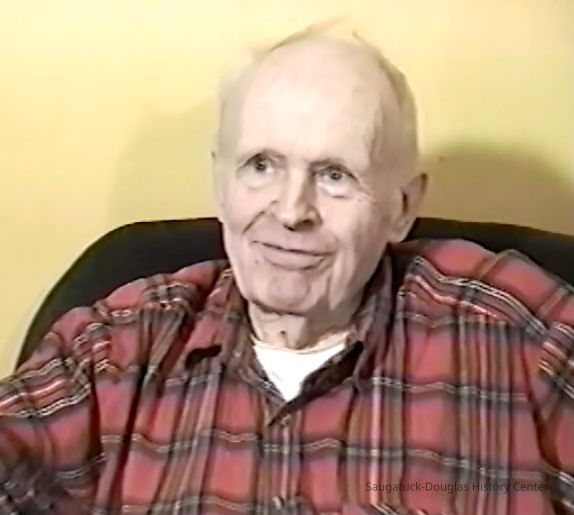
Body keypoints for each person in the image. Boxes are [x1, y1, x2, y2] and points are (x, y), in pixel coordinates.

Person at [0, 27, 573, 515]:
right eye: (261, 166)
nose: (291, 211)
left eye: (334, 175)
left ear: (401, 208)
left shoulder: (515, 334)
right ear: (220, 184)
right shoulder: (116, 349)